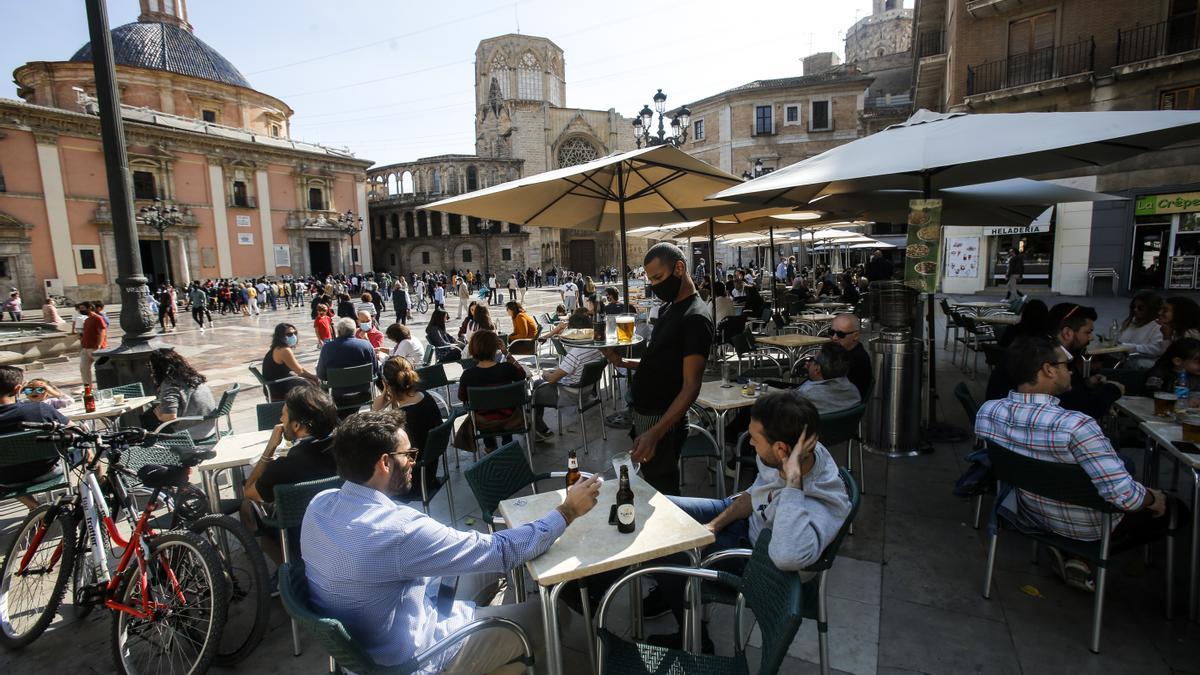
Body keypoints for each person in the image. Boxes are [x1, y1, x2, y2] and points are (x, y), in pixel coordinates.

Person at [301, 410, 602, 672]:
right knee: (554, 614)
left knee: (481, 567)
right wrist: (567, 511)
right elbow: (502, 551)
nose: (412, 463)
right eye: (408, 455)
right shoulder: (399, 530)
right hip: (415, 661)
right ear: (384, 463)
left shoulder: (319, 504)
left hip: (374, 643)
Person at [642, 392, 851, 648]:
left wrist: (792, 484)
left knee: (667, 549)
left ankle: (696, 642)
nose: (749, 443)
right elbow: (753, 495)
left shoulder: (820, 503)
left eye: (755, 438)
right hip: (745, 519)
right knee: (661, 509)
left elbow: (787, 557)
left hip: (756, 559)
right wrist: (713, 527)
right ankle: (673, 588)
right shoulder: (797, 445)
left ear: (782, 450)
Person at [976, 336, 1175, 591]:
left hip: (1026, 512)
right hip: (1088, 529)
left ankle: (1072, 555)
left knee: (1120, 467)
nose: (1071, 371)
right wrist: (1151, 497)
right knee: (1174, 508)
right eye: (1066, 365)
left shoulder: (988, 412)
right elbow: (1125, 498)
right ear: (1049, 370)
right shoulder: (1076, 426)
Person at [602, 243, 712, 495]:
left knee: (662, 493)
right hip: (645, 415)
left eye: (658, 277)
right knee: (650, 483)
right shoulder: (669, 308)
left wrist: (655, 432)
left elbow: (691, 386)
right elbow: (662, 362)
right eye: (650, 279)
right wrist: (623, 362)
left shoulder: (695, 317)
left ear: (679, 268)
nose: (654, 285)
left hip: (662, 419)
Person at [241, 384, 339, 563]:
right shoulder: (345, 450)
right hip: (337, 526)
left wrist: (270, 448)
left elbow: (249, 491)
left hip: (295, 532)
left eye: (283, 414)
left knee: (247, 505)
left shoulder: (282, 467)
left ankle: (283, 572)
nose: (280, 418)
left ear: (296, 425)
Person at [986, 303, 1123, 421]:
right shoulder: (1050, 358)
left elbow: (1071, 397)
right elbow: (1085, 409)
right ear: (1067, 333)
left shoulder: (1035, 348)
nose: (1092, 337)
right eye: (1088, 332)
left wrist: (1087, 384)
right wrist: (1113, 389)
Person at [0, 365, 69, 510]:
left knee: (9, 467)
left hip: (7, 481)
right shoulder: (39, 408)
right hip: (47, 471)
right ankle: (100, 486)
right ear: (18, 389)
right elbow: (74, 430)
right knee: (87, 448)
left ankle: (34, 506)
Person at [373, 357, 444, 495]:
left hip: (410, 480)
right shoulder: (427, 398)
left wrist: (376, 411)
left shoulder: (400, 419)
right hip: (429, 472)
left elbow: (377, 445)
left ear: (386, 385)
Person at [530, 312, 606, 440]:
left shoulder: (575, 353)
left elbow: (553, 379)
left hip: (571, 395)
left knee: (535, 389)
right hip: (587, 392)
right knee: (539, 385)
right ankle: (539, 428)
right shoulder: (597, 347)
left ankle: (538, 428)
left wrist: (545, 374)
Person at [456, 330, 525, 451]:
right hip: (510, 420)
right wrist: (506, 353)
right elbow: (522, 374)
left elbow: (462, 397)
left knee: (483, 411)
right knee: (502, 407)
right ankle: (507, 443)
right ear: (495, 348)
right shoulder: (507, 368)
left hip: (484, 423)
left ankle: (490, 446)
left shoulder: (468, 375)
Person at [145, 348, 218, 441]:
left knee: (148, 418)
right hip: (210, 427)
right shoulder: (194, 377)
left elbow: (170, 416)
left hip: (192, 432)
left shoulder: (170, 383)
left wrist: (160, 416)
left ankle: (155, 451)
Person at [317, 317, 379, 407]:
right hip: (364, 394)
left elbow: (321, 375)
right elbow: (375, 370)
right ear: (354, 331)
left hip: (338, 396)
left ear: (338, 332)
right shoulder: (366, 345)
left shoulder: (327, 348)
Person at [263, 323, 319, 401]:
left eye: (295, 333)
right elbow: (300, 371)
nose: (293, 336)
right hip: (277, 388)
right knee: (314, 387)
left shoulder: (276, 347)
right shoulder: (284, 350)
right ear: (280, 336)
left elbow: (298, 369)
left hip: (273, 386)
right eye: (289, 334)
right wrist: (315, 378)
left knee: (310, 382)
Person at [828, 314, 872, 401]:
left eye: (841, 334)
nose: (834, 337)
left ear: (855, 336)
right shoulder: (844, 353)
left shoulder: (855, 360)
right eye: (831, 332)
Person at [1118, 290, 1165, 358]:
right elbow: (1119, 339)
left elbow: (1156, 349)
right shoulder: (1131, 322)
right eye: (1133, 307)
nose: (1135, 310)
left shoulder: (1158, 326)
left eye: (1140, 308)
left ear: (1151, 309)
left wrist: (1125, 346)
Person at [78, 302, 107, 386]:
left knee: (102, 369)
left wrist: (99, 345)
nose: (80, 310)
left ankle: (105, 386)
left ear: (90, 307)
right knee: (83, 369)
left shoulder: (98, 318)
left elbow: (102, 332)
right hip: (86, 348)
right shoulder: (87, 320)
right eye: (80, 308)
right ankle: (88, 389)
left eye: (82, 308)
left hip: (95, 348)